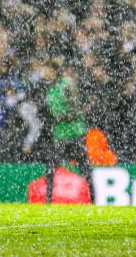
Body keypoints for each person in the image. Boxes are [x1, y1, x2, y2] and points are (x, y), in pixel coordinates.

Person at [43, 65, 93, 203]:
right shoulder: (50, 92)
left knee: (84, 168)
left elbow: (75, 110)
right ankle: (48, 201)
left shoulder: (66, 85)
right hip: (60, 135)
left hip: (75, 133)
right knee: (51, 168)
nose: (45, 74)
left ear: (54, 72)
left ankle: (94, 199)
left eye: (47, 70)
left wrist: (61, 117)